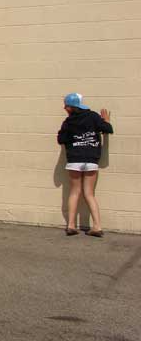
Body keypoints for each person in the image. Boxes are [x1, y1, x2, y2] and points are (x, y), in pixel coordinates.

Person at [57, 93, 113, 237]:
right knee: (89, 193)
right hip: (90, 159)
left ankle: (71, 225)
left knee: (75, 192)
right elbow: (108, 129)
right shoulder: (93, 116)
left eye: (66, 106)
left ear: (72, 107)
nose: (64, 108)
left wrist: (69, 136)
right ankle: (97, 227)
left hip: (75, 160)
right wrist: (106, 122)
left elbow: (61, 139)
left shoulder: (68, 122)